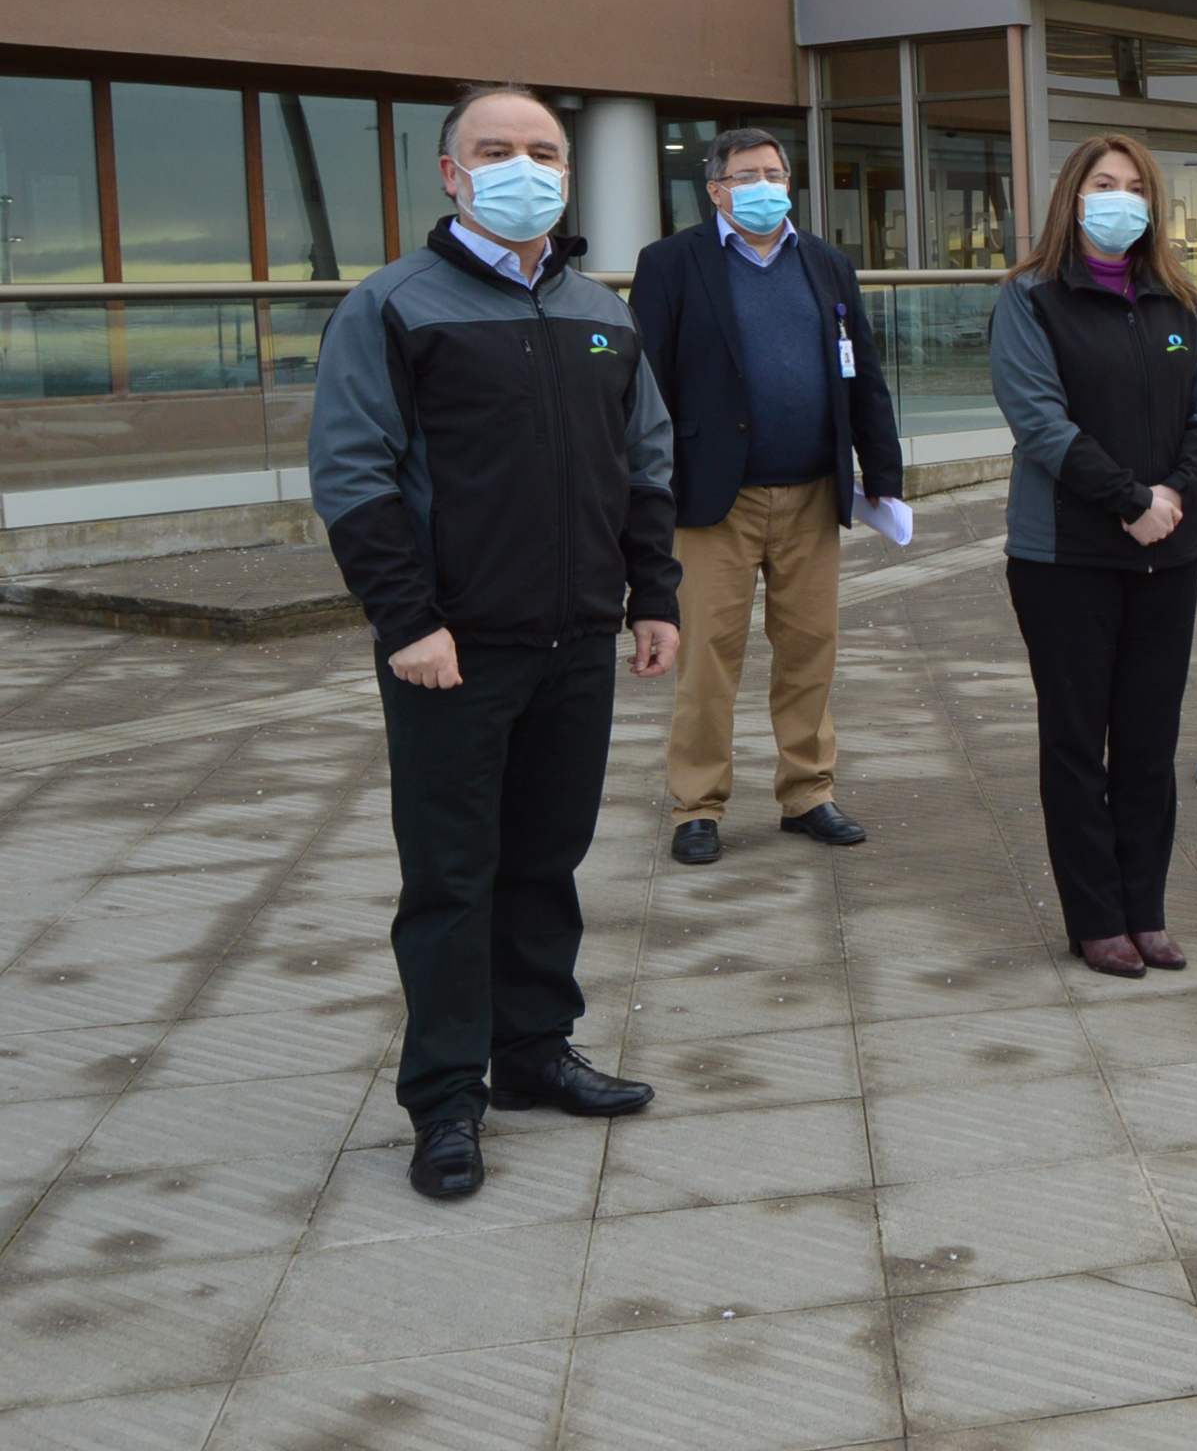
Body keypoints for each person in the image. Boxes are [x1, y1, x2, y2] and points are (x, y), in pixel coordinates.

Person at [309, 84, 681, 1201]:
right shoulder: (393, 307)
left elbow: (645, 458)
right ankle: (443, 1101)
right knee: (450, 879)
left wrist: (651, 593)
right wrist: (406, 620)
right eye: (497, 148)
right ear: (450, 171)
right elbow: (354, 475)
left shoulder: (597, 307)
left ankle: (532, 1054)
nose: (525, 165)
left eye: (544, 150)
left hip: (576, 641)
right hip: (452, 652)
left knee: (545, 862)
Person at [990, 134, 1197, 978]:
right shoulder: (1030, 299)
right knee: (1075, 739)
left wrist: (1172, 499)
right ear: (1072, 196)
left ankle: (1146, 908)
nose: (1119, 198)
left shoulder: (1180, 301)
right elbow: (1042, 423)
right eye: (1103, 183)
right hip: (1068, 557)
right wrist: (1131, 501)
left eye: (1133, 186)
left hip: (1171, 552)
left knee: (1147, 739)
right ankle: (1095, 916)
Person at [630, 127, 904, 867]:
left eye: (776, 172)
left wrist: (883, 474)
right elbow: (644, 383)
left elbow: (863, 373)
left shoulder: (824, 262)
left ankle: (808, 792)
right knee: (708, 659)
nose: (765, 185)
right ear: (716, 189)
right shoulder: (670, 264)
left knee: (809, 652)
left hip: (814, 491)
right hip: (713, 499)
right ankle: (698, 805)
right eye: (748, 174)